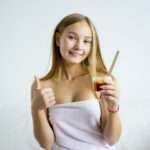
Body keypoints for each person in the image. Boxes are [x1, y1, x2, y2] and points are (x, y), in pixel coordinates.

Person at [31, 13, 122, 150]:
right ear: (57, 39)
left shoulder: (101, 80)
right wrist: (36, 109)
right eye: (72, 37)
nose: (79, 46)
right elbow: (47, 144)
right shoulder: (42, 86)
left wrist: (113, 107)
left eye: (87, 41)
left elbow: (111, 139)